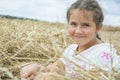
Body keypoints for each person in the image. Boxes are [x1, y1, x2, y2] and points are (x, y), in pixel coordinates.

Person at [20, 0, 120, 80]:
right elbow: (58, 66)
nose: (78, 31)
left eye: (85, 25)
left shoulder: (104, 54)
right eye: (73, 24)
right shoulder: (71, 49)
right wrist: (38, 69)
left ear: (98, 27)